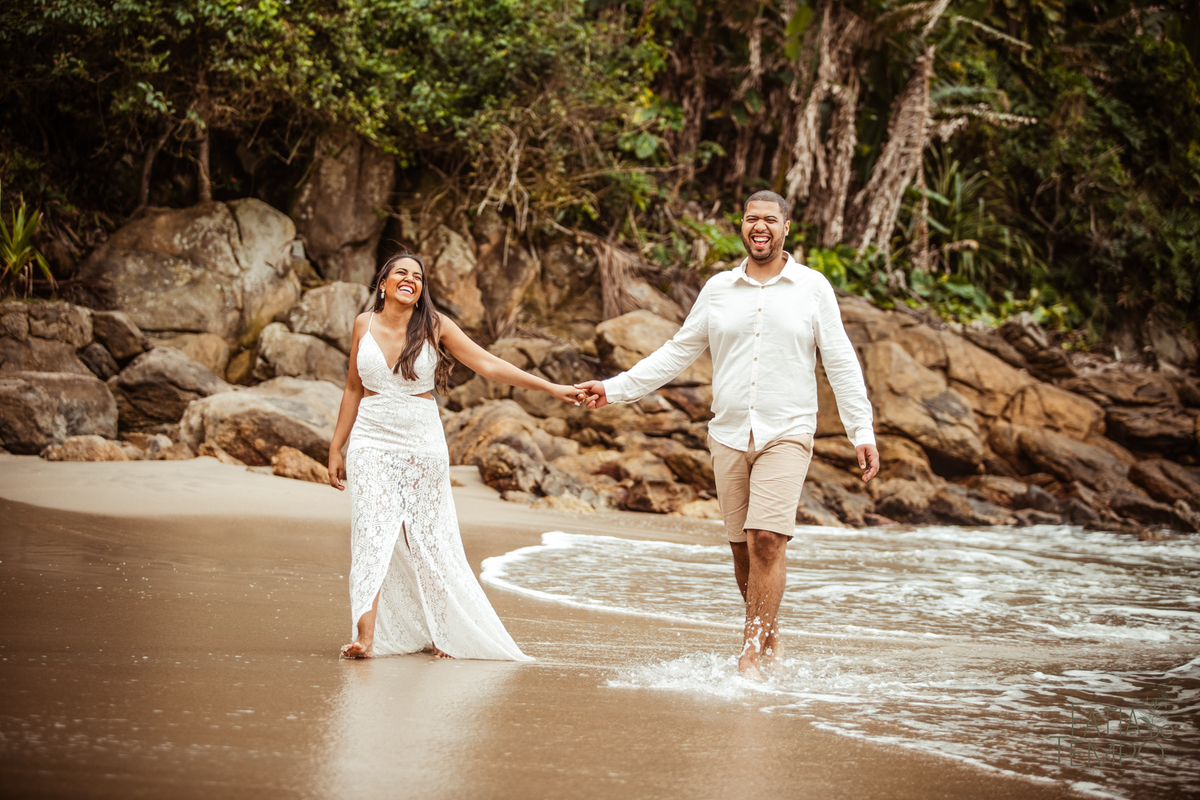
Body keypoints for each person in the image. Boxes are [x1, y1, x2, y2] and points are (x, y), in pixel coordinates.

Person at [576, 190, 880, 680]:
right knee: (743, 549)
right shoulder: (718, 289)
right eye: (751, 218)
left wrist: (860, 430)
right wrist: (613, 389)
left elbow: (841, 361)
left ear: (786, 228)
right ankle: (769, 636)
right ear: (742, 225)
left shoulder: (812, 288)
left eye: (770, 220)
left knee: (767, 540)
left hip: (788, 430)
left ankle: (751, 653)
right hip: (730, 433)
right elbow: (677, 351)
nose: (760, 227)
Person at [328, 253, 580, 660]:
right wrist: (335, 446)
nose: (410, 279)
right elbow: (353, 388)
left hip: (421, 440)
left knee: (429, 536)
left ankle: (445, 631)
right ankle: (366, 635)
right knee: (371, 530)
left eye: (418, 276)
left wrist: (550, 388)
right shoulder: (363, 324)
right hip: (370, 439)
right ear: (383, 283)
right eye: (401, 273)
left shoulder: (435, 325)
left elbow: (488, 364)